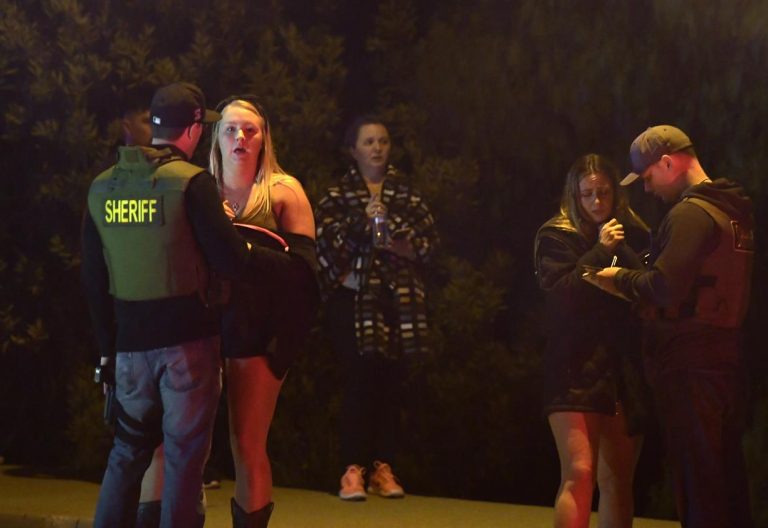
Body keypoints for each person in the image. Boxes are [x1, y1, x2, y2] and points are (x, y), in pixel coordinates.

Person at [82, 82, 251, 528]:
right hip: (188, 346)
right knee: (184, 458)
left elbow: (94, 278)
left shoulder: (103, 188)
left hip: (129, 350)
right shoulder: (192, 183)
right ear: (193, 129)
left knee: (126, 454)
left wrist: (107, 351)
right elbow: (232, 261)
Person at [589, 125, 755, 528]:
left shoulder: (690, 214)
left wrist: (616, 279)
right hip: (726, 359)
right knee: (725, 475)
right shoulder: (733, 211)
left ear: (668, 163)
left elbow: (663, 287)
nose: (647, 189)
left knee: (698, 480)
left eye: (648, 177)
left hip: (689, 364)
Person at [315, 115, 439, 501]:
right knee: (358, 381)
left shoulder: (407, 194)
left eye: (383, 141)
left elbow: (429, 243)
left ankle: (384, 468)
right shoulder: (337, 195)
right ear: (353, 150)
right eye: (368, 142)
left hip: (396, 301)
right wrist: (360, 224)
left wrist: (406, 244)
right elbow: (324, 244)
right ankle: (352, 469)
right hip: (352, 300)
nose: (377, 148)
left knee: (390, 383)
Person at [210, 95, 319, 528]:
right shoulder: (199, 189)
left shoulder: (282, 190)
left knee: (247, 442)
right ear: (216, 138)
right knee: (177, 442)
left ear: (264, 138)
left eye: (249, 130)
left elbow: (306, 276)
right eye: (230, 129)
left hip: (256, 335)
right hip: (200, 330)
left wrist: (239, 244)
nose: (240, 137)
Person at [534, 154, 650, 528]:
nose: (597, 201)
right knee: (580, 472)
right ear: (575, 195)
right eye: (588, 194)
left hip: (620, 368)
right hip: (574, 366)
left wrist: (620, 248)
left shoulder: (635, 232)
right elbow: (561, 297)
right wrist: (601, 250)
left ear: (616, 193)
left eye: (604, 193)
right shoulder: (556, 235)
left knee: (618, 477)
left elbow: (649, 290)